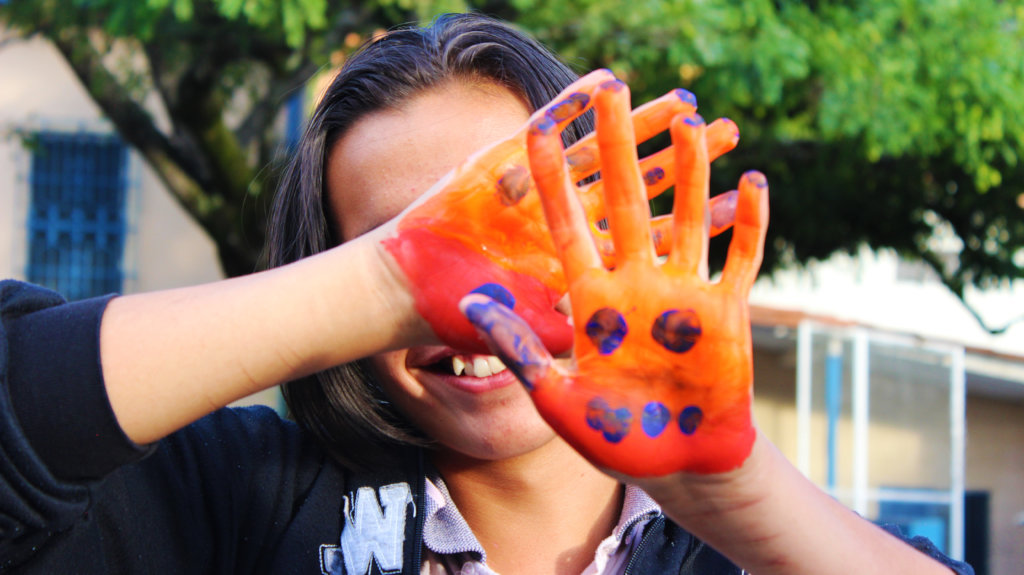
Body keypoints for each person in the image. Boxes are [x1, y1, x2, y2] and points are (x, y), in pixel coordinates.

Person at [0, 12, 973, 575]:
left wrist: (735, 490)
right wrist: (388, 275)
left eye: (517, 229)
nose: (473, 301)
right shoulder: (245, 504)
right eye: (414, 248)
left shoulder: (769, 543)